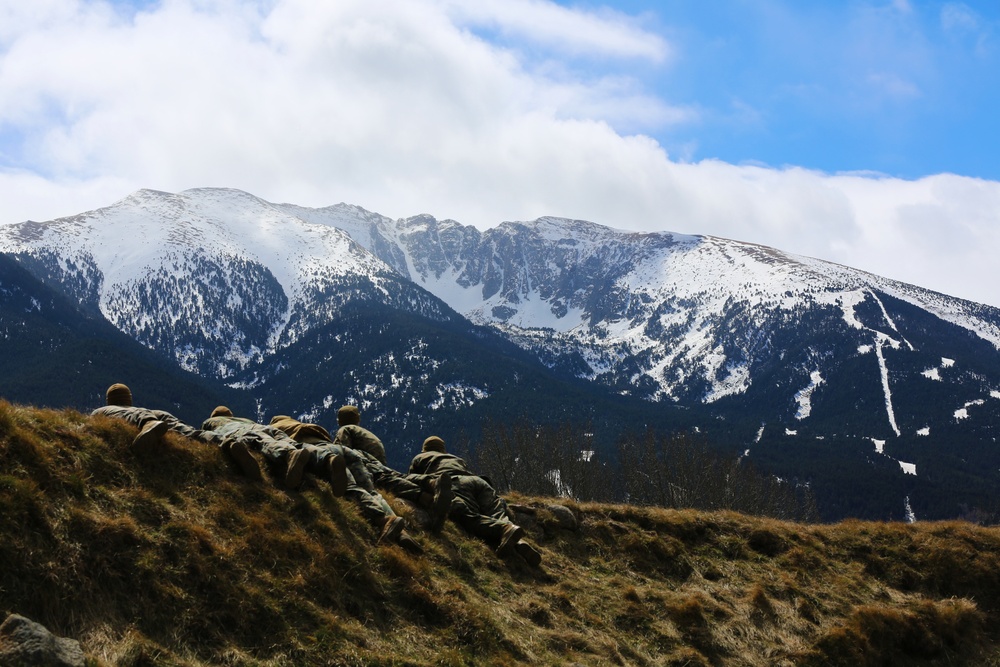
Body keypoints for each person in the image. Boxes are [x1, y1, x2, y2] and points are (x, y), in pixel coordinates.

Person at [268, 415, 428, 551]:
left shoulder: (278, 429)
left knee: (350, 488)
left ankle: (383, 520)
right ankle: (401, 531)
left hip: (323, 452)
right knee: (372, 492)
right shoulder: (306, 427)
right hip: (344, 451)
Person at [285, 410, 453, 531]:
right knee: (395, 476)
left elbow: (344, 448)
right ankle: (430, 485)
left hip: (364, 461)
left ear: (340, 420)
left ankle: (423, 499)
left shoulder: (345, 430)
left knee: (386, 481)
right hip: (378, 462)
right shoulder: (366, 432)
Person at [409, 436, 542, 567]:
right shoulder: (456, 458)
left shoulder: (420, 458)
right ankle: (517, 540)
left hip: (455, 483)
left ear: (425, 449)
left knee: (468, 516)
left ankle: (503, 529)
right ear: (443, 449)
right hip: (479, 482)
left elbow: (412, 479)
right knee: (497, 512)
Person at [91, 383, 260, 480]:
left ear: (109, 400)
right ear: (129, 397)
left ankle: (149, 425)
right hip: (155, 413)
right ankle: (227, 442)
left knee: (134, 415)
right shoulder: (140, 408)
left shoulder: (104, 410)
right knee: (189, 432)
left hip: (139, 415)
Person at [201, 407, 315, 490]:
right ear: (230, 415)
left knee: (261, 441)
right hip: (262, 427)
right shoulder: (243, 419)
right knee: (286, 440)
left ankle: (289, 454)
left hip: (238, 430)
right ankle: (320, 457)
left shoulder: (210, 422)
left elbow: (205, 435)